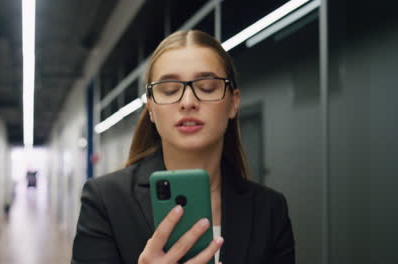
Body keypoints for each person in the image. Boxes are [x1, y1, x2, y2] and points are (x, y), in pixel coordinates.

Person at [72, 30, 295, 264]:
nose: (188, 102)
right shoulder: (106, 201)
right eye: (169, 90)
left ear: (233, 103)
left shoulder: (269, 210)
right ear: (151, 109)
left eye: (207, 87)